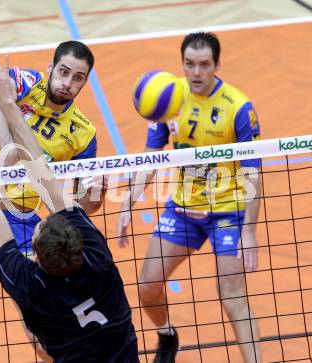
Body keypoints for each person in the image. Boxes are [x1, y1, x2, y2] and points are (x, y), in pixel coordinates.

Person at [0, 48, 139, 362]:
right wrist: (10, 147)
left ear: (85, 82)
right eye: (63, 72)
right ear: (51, 67)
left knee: (43, 343)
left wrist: (94, 198)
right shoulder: (26, 82)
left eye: (78, 78)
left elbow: (75, 210)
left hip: (25, 221)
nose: (67, 83)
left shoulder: (82, 133)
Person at [117, 32, 262, 363]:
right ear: (182, 63)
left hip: (228, 210)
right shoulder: (170, 99)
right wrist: (127, 202)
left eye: (204, 65)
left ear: (216, 65)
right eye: (189, 64)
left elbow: (253, 172)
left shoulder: (238, 107)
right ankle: (168, 336)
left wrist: (250, 231)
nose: (196, 72)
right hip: (182, 210)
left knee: (232, 296)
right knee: (147, 287)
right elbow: (151, 157)